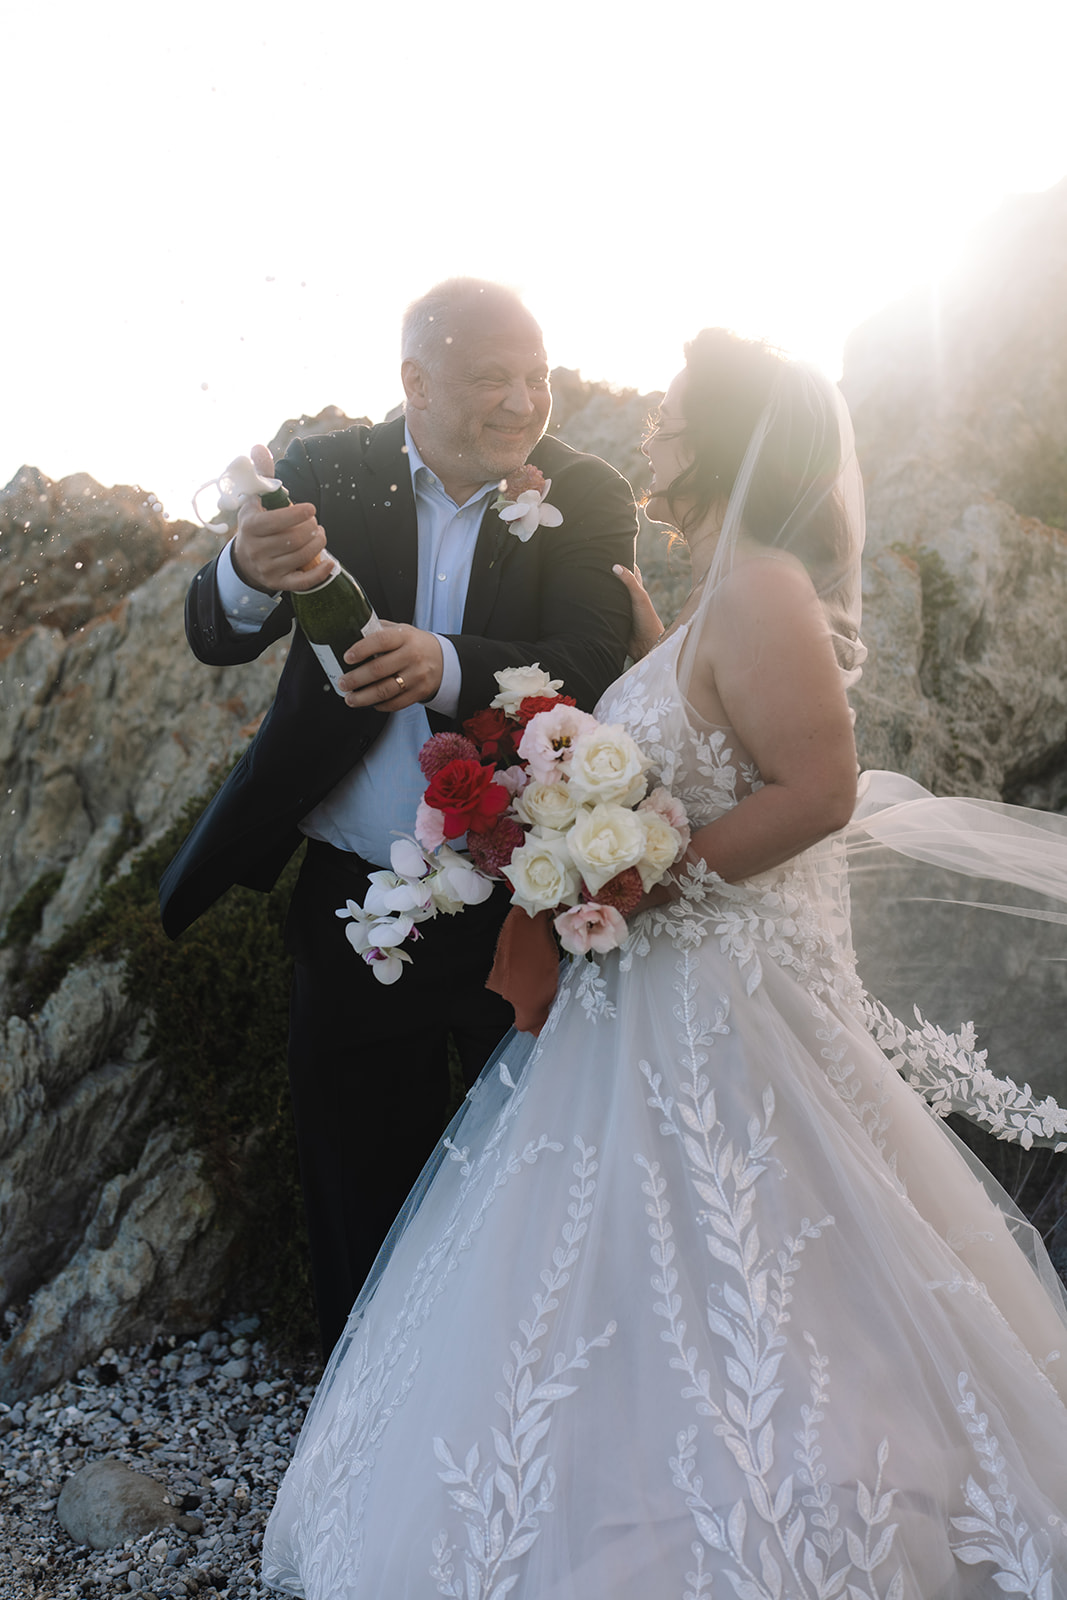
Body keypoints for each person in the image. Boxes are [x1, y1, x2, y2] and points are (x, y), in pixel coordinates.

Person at [261, 330, 1067, 1598]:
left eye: (675, 417)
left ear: (729, 441)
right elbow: (687, 738)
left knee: (762, 1268)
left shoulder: (761, 591)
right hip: (647, 996)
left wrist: (632, 877)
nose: (653, 433)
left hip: (718, 1001)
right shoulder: (714, 599)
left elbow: (818, 789)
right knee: (638, 1277)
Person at [158, 279, 638, 1357]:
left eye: (536, 378)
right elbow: (216, 634)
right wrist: (244, 571)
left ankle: (520, 1412)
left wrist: (447, 665)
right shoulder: (326, 471)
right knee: (355, 1197)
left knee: (534, 1195)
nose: (522, 402)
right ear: (414, 382)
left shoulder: (585, 490)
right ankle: (357, 1434)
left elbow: (592, 656)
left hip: (524, 902)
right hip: (351, 903)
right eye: (491, 379)